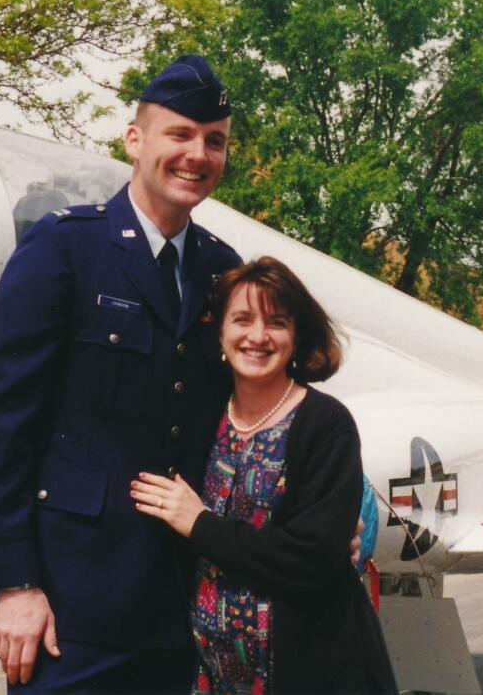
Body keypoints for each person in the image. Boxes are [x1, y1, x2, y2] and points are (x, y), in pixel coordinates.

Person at [0, 55, 241, 692]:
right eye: (180, 134)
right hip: (69, 610)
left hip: (176, 611)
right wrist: (14, 583)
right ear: (135, 140)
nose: (197, 154)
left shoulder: (221, 270)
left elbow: (245, 415)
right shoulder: (66, 249)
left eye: (215, 141)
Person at [132, 257, 397, 694]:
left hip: (305, 676)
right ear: (220, 333)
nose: (257, 336)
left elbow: (311, 559)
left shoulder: (325, 424)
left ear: (297, 337)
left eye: (276, 322)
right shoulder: (203, 416)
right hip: (209, 676)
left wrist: (200, 524)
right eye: (242, 319)